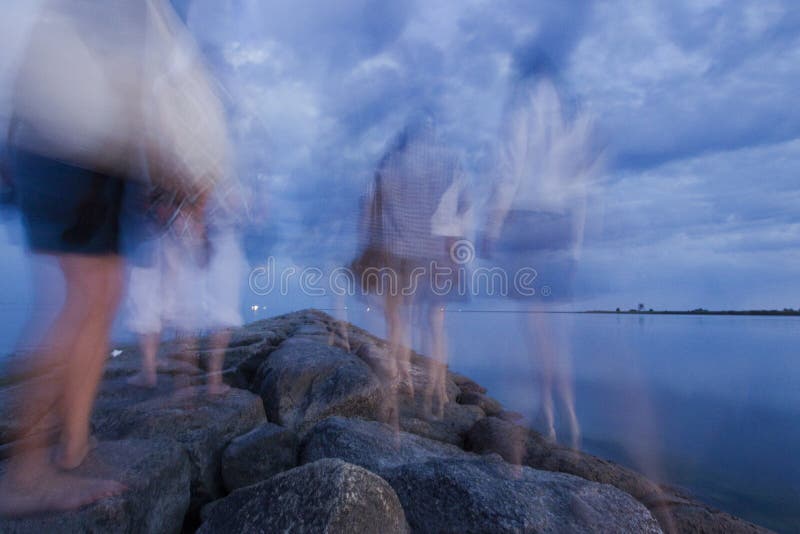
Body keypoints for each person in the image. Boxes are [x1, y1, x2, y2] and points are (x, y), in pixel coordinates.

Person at [0, 0, 229, 515]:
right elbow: (155, 77)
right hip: (70, 134)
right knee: (87, 294)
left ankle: (74, 444)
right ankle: (26, 474)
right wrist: (191, 172)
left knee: (101, 293)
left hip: (81, 138)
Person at [483, 55, 602, 451]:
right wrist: (577, 248)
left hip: (528, 227)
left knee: (537, 338)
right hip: (563, 228)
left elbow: (508, 171)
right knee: (559, 339)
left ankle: (549, 421)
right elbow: (581, 189)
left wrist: (493, 227)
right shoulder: (573, 114)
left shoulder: (523, 104)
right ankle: (573, 421)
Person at [352, 111, 470, 423]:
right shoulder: (446, 166)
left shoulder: (389, 164)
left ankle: (400, 377)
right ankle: (438, 389)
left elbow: (369, 207)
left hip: (395, 249)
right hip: (431, 251)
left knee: (398, 320)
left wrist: (367, 240)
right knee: (434, 322)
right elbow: (459, 208)